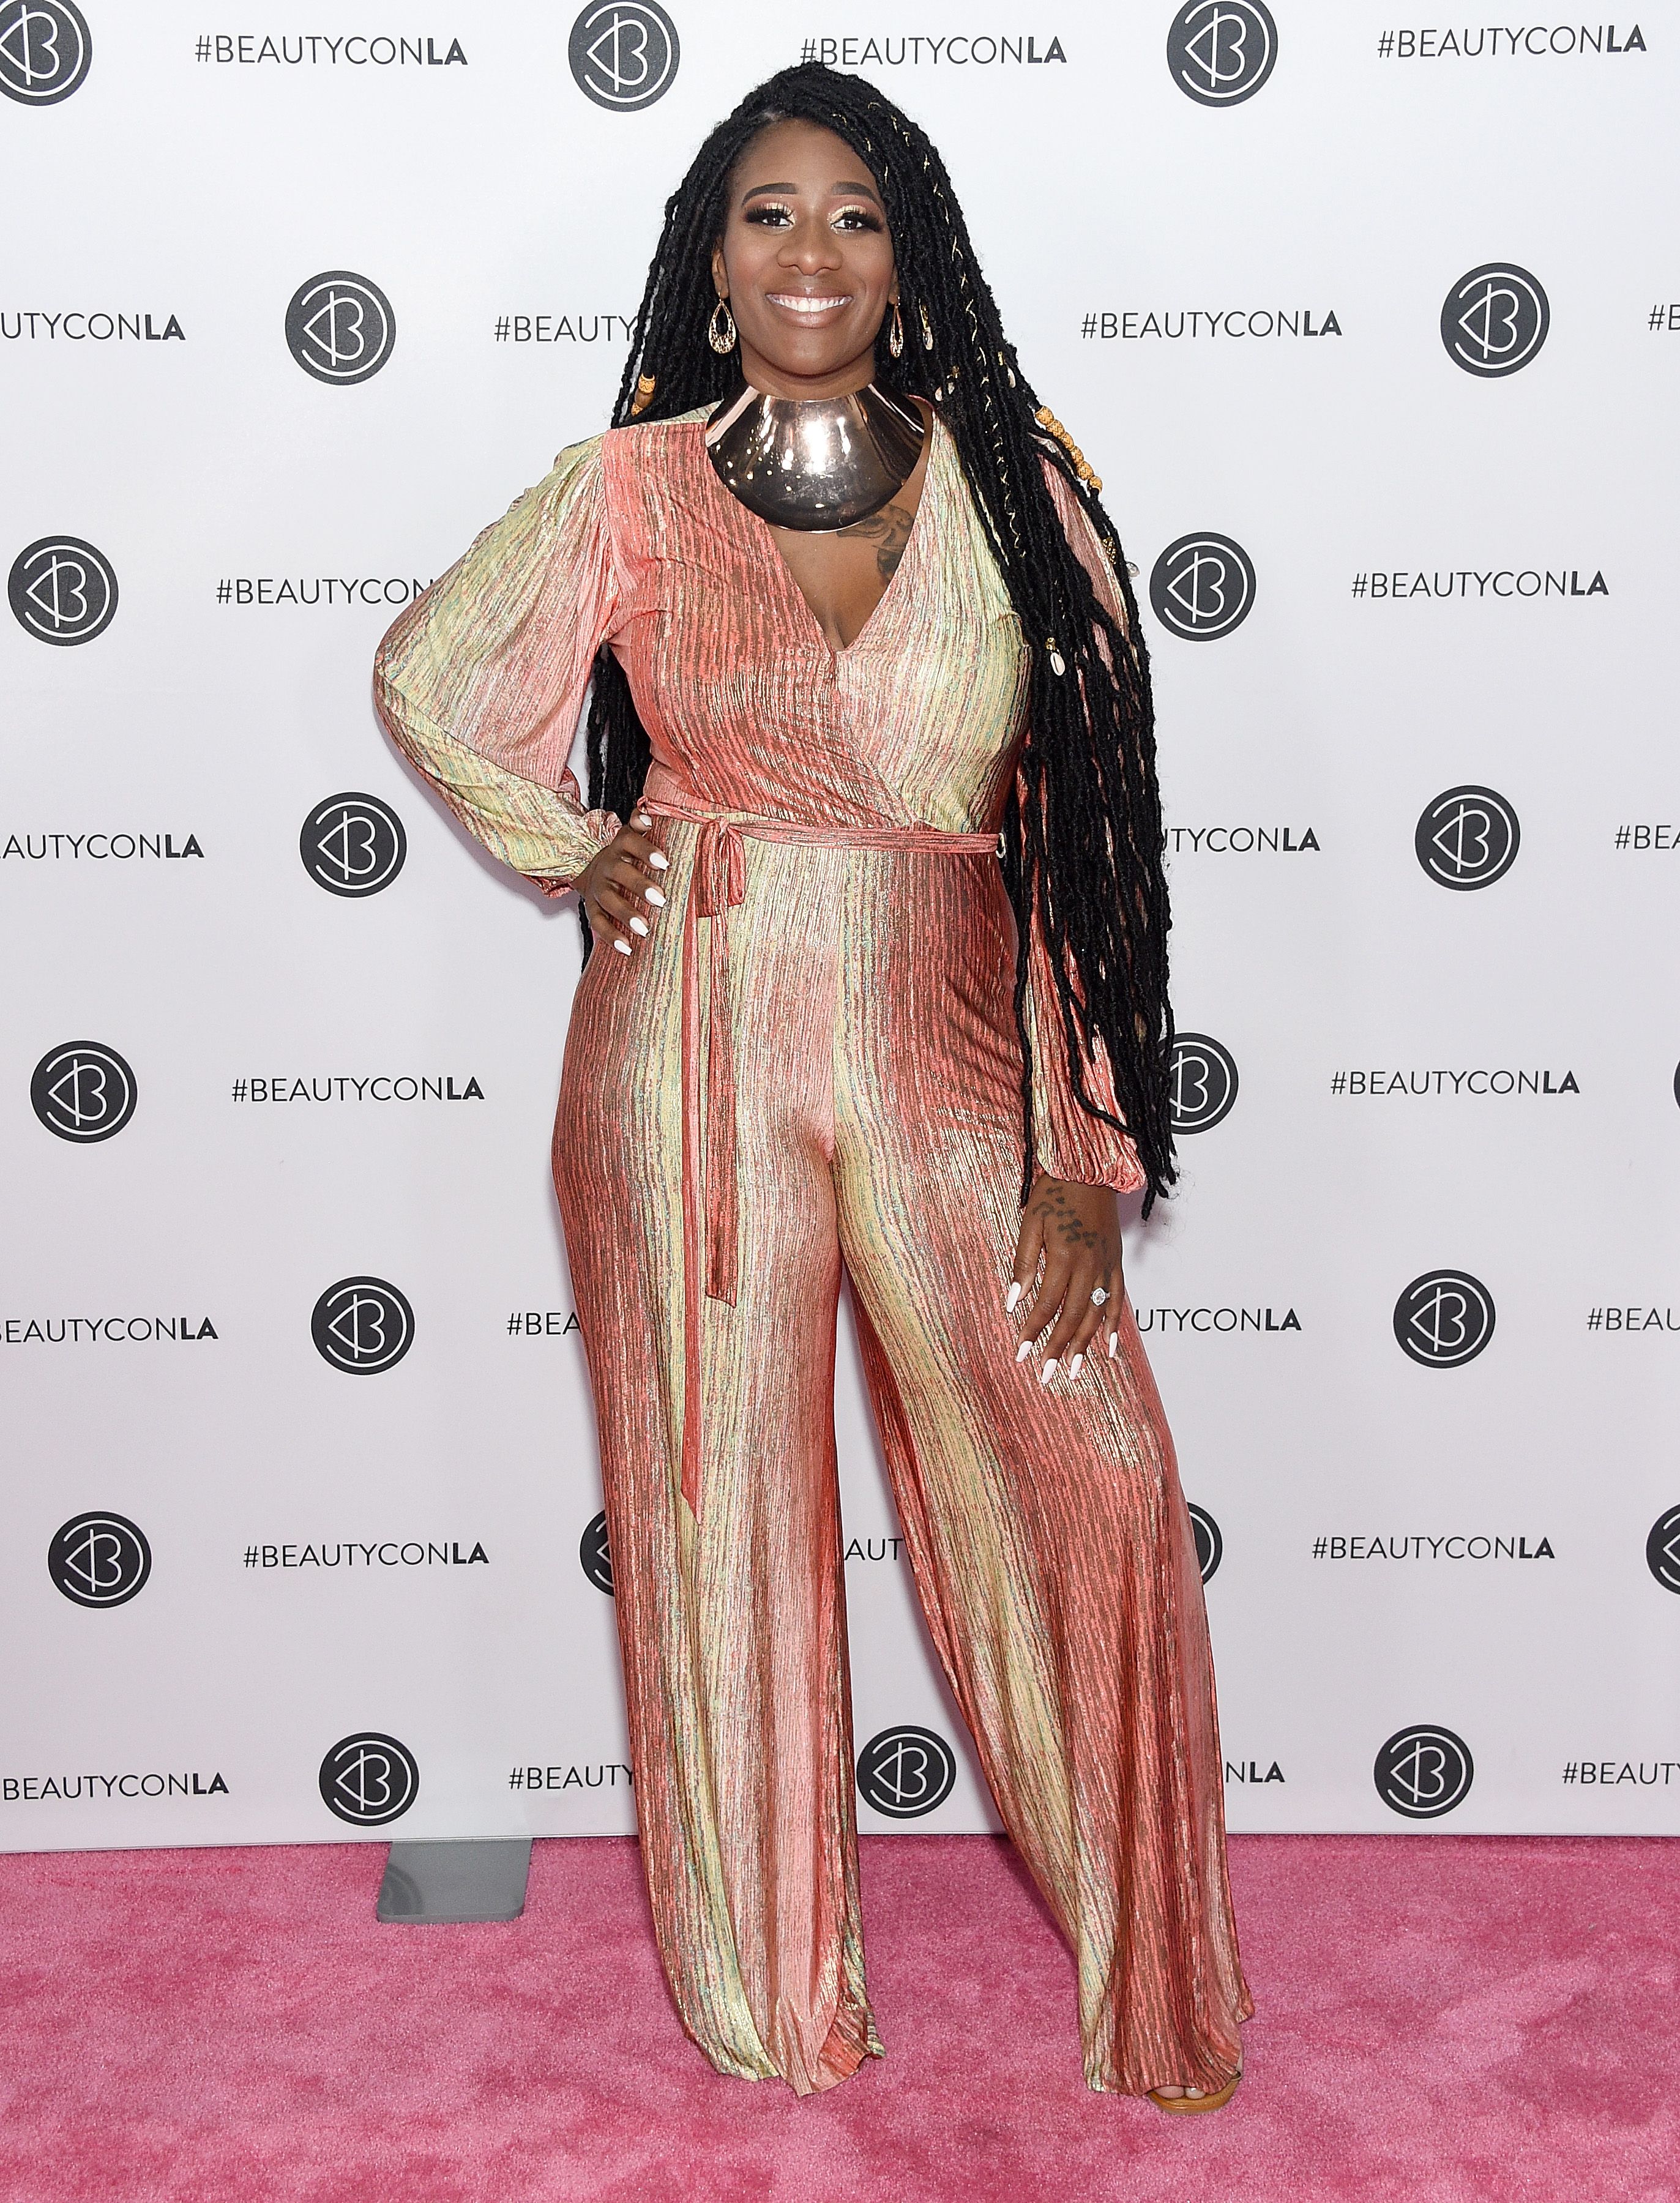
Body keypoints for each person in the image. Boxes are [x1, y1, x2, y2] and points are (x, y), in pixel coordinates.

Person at [373, 62, 1250, 2108]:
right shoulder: (624, 487)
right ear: (711, 261)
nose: (810, 252)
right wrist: (575, 845)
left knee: (1094, 1478)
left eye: (855, 215)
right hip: (683, 1056)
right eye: (768, 213)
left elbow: (1085, 844)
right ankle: (773, 2004)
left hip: (949, 1051)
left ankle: (1155, 1985)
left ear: (909, 258)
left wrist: (1082, 1147)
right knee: (714, 1515)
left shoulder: (1021, 492)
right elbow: (432, 673)